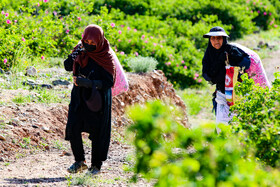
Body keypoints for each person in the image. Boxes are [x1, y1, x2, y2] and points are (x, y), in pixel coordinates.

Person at [64, 24, 115, 175]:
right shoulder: (80, 49)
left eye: (93, 43)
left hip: (97, 99)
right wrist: (74, 54)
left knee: (97, 132)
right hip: (79, 96)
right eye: (87, 42)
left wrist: (89, 83)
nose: (90, 45)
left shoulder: (105, 56)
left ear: (99, 41)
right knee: (73, 126)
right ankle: (80, 161)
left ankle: (95, 166)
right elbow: (67, 66)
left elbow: (108, 82)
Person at [201, 26, 251, 115]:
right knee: (222, 125)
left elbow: (246, 63)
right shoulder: (209, 54)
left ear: (223, 39)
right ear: (210, 40)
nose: (216, 41)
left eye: (219, 38)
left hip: (238, 91)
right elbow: (205, 73)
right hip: (221, 93)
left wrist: (232, 58)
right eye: (213, 38)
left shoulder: (231, 50)